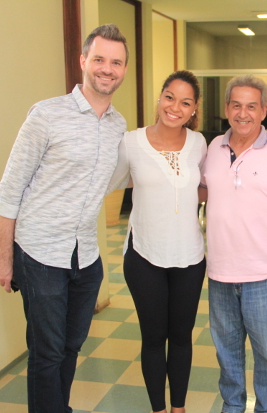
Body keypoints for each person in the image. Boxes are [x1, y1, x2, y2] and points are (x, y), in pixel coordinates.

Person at [0, 25, 128, 413]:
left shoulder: (118, 125)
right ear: (83, 61)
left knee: (71, 346)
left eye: (116, 62)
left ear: (123, 70)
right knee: (46, 353)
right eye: (99, 59)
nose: (107, 69)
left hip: (85, 258)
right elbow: (10, 189)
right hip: (39, 255)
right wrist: (4, 256)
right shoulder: (47, 114)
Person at [200, 75, 267, 413]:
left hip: (265, 276)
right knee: (227, 354)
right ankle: (232, 407)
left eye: (251, 106)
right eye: (236, 105)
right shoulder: (212, 149)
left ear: (264, 110)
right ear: (226, 108)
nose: (243, 113)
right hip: (219, 275)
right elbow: (200, 195)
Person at [106, 70, 206, 413]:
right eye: (169, 97)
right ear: (159, 98)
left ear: (194, 110)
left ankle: (178, 408)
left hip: (190, 259)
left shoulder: (199, 144)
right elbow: (110, 182)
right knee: (153, 339)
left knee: (181, 338)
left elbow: (204, 187)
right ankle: (158, 410)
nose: (175, 107)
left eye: (185, 102)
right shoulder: (131, 142)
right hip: (144, 255)